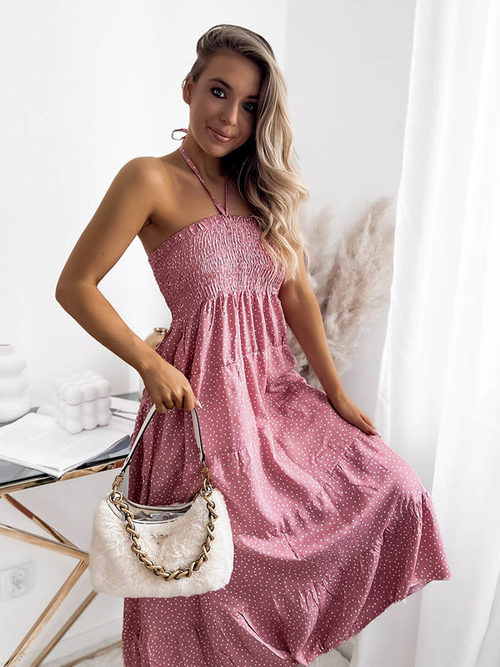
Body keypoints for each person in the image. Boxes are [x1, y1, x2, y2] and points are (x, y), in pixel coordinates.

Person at [55, 23, 451, 667]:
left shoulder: (262, 189)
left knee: (394, 488)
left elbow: (295, 294)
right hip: (199, 404)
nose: (230, 117)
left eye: (250, 105)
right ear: (188, 87)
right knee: (215, 575)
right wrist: (149, 363)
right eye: (218, 91)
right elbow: (76, 286)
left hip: (274, 394)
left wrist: (335, 392)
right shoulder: (148, 179)